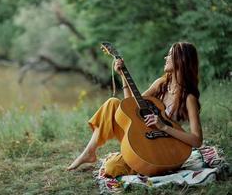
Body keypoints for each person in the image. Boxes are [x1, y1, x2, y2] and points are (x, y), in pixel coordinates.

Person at [67, 42, 203, 178]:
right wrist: (123, 76)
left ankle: (137, 161)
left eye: (170, 55)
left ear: (181, 61)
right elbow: (132, 107)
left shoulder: (188, 98)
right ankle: (89, 152)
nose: (165, 58)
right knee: (112, 103)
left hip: (168, 152)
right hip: (145, 138)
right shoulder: (161, 84)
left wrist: (164, 127)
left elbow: (197, 140)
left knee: (112, 167)